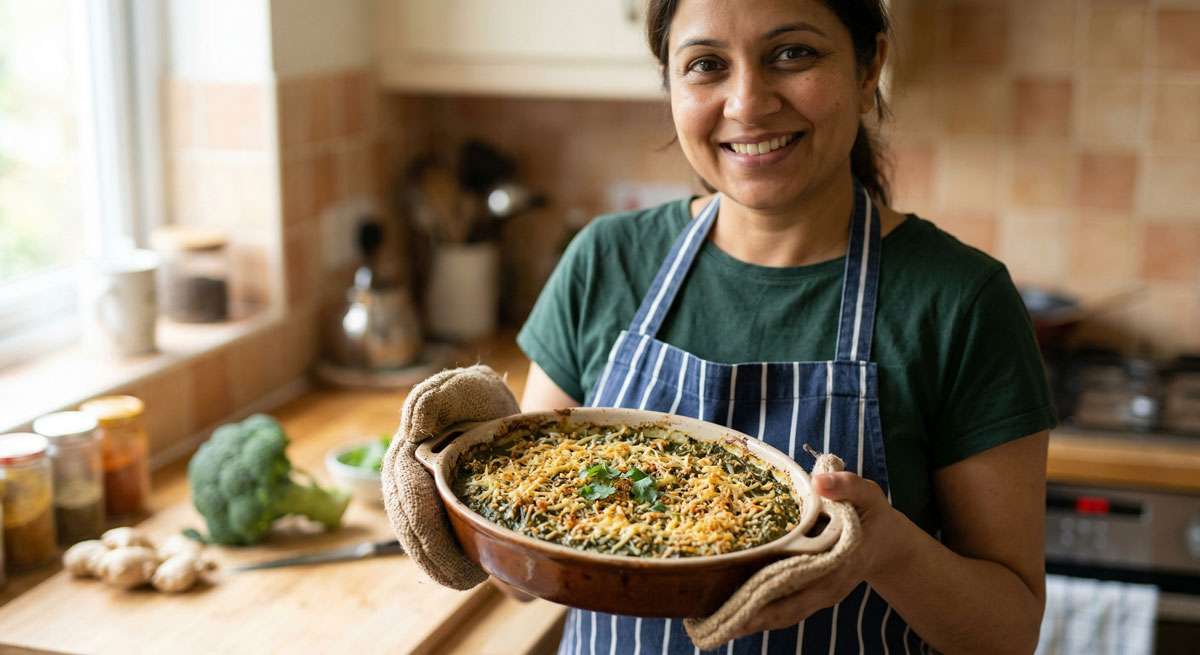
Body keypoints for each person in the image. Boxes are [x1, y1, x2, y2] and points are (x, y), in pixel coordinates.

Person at [513, 0, 1056, 653]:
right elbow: (524, 564)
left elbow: (1008, 633)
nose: (747, 103)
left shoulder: (959, 301)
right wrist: (449, 497)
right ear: (670, 84)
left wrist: (888, 550)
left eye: (792, 54)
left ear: (868, 68)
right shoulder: (605, 261)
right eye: (707, 64)